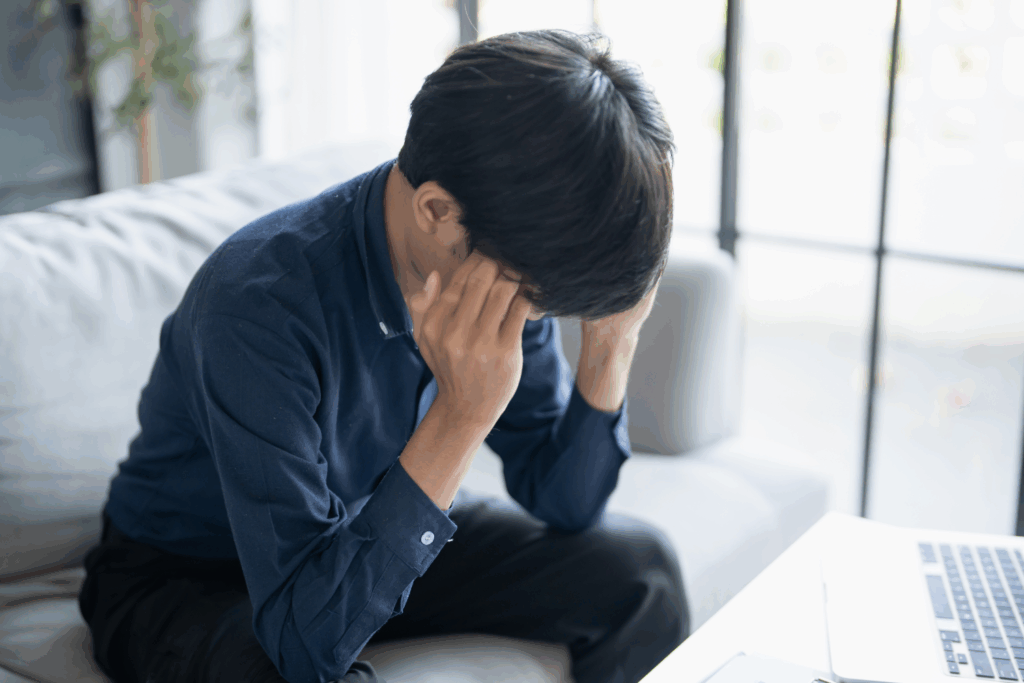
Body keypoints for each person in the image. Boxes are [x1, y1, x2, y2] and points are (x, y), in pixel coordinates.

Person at [78, 28, 688, 683]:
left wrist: (611, 342)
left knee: (641, 570)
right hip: (189, 577)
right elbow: (304, 641)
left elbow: (566, 501)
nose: (531, 321)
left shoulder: (499, 253)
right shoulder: (256, 306)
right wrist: (461, 415)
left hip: (364, 525)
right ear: (437, 211)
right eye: (535, 303)